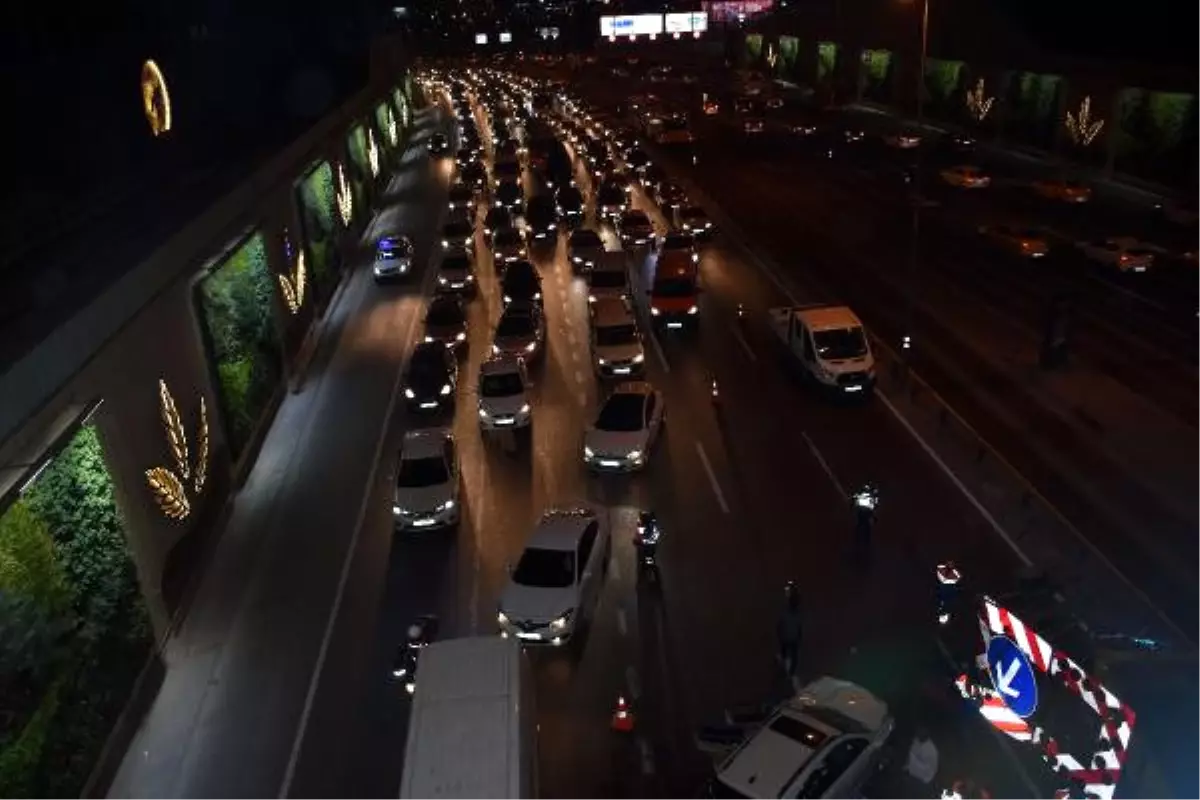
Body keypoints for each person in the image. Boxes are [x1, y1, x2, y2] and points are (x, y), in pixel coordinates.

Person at [776, 582, 803, 682]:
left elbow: (780, 625)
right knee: (794, 654)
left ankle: (784, 665)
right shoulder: (797, 615)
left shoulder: (785, 613)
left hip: (786, 636)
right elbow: (799, 627)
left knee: (785, 650)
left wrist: (779, 633)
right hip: (794, 637)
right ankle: (791, 672)